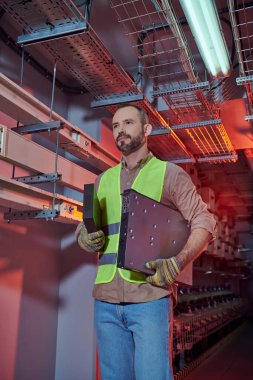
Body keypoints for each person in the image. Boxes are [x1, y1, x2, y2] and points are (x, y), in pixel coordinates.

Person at [75, 104, 216, 380]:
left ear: (147, 129)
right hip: (106, 301)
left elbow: (205, 222)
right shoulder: (103, 180)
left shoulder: (170, 174)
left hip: (150, 299)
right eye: (116, 126)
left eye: (128, 123)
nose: (120, 130)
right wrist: (83, 238)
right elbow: (85, 228)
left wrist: (177, 262)